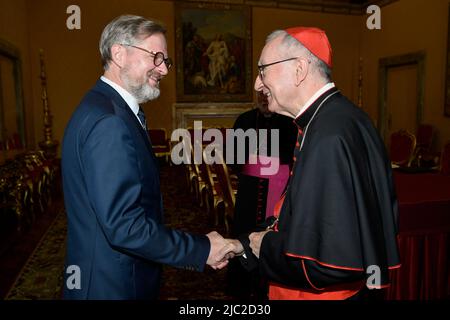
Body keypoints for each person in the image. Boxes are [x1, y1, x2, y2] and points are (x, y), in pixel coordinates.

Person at [223, 27, 400, 300]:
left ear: (299, 69)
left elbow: (328, 261)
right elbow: (304, 216)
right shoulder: (338, 118)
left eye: (263, 70)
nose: (258, 84)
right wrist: (245, 243)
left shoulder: (328, 135)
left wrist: (265, 246)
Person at [61, 15, 229, 300]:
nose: (163, 69)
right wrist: (201, 249)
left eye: (166, 61)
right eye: (156, 57)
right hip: (111, 284)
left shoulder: (104, 106)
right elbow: (124, 226)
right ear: (118, 53)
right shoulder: (109, 121)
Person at [226, 91, 297, 299]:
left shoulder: (290, 122)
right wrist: (253, 168)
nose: (265, 100)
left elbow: (295, 157)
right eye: (261, 96)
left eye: (268, 95)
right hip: (250, 191)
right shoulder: (244, 120)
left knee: (274, 233)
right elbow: (233, 158)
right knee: (244, 234)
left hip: (280, 190)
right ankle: (243, 288)